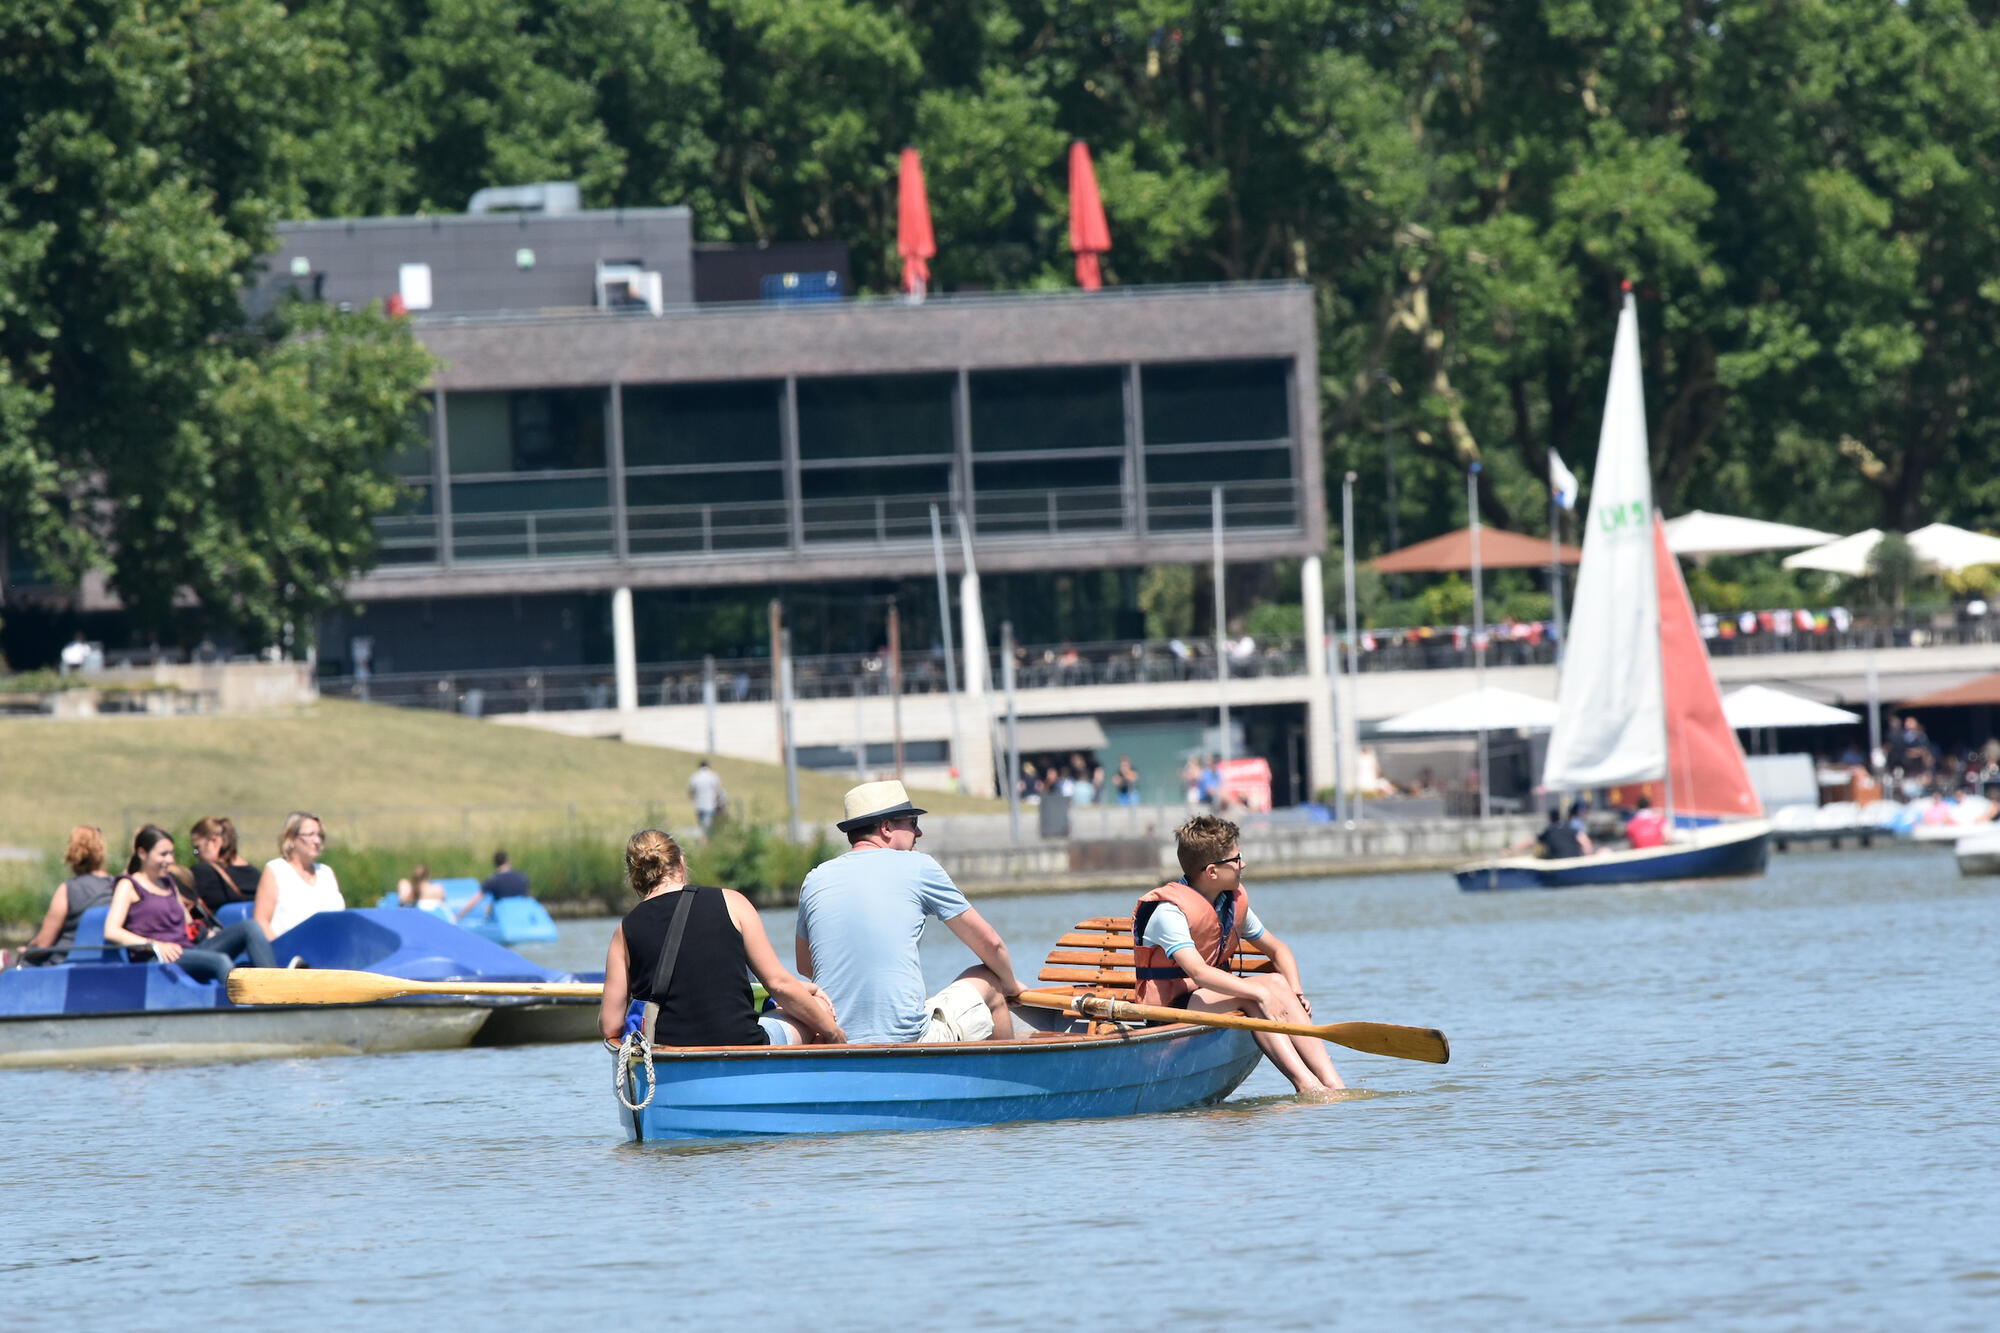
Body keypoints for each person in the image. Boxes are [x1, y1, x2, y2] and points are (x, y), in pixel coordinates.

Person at [795, 780, 1025, 1044]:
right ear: (887, 827)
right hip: (906, 1039)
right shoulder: (919, 866)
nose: (919, 833)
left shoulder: (814, 878)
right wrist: (1012, 986)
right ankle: (1007, 1081)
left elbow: (805, 965)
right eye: (913, 822)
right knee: (992, 980)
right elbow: (991, 944)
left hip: (835, 1037)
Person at [1132, 815, 1343, 1095]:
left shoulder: (1228, 901)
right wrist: (1258, 994)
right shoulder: (1170, 912)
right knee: (1254, 993)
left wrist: (1296, 992)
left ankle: (1333, 1084)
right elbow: (1198, 973)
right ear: (1212, 872)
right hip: (1170, 1013)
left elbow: (1278, 950)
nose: (1242, 864)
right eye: (1236, 859)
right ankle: (1307, 1085)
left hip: (1209, 1000)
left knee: (1276, 983)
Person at [598, 829, 842, 1048]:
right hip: (742, 1043)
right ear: (681, 863)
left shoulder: (624, 930)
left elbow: (610, 1026)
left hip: (667, 1052)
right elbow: (778, 983)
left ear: (635, 878)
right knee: (817, 1011)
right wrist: (833, 1034)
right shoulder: (732, 902)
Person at [103, 825, 277, 982]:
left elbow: (188, 924)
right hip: (161, 957)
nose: (170, 860)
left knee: (250, 927)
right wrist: (153, 944)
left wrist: (207, 934)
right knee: (220, 961)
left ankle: (277, 991)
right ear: (142, 854)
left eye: (171, 854)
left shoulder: (168, 884)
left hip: (188, 950)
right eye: (163, 854)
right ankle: (245, 1006)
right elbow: (112, 931)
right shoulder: (128, 885)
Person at [25, 825, 116, 964]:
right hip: (105, 961)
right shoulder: (117, 886)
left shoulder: (68, 889)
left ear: (72, 853)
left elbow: (43, 944)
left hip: (63, 963)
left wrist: (27, 950)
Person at [255, 811, 345, 939]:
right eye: (310, 835)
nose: (317, 841)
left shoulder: (326, 873)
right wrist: (279, 952)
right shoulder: (276, 870)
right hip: (289, 954)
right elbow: (261, 922)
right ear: (291, 839)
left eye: (320, 835)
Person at [189, 816, 260, 917]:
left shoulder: (202, 872)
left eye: (196, 848)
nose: (196, 856)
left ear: (214, 842)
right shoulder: (256, 874)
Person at [456, 850, 530, 922]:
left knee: (488, 909)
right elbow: (527, 898)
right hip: (521, 915)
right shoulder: (522, 877)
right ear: (508, 861)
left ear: (495, 863)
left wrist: (458, 916)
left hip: (503, 916)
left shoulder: (493, 880)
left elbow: (475, 900)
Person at [688, 759, 727, 836]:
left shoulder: (695, 776)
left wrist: (695, 797)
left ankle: (704, 840)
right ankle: (707, 841)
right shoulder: (712, 775)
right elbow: (717, 789)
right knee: (708, 825)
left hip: (699, 805)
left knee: (702, 824)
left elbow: (691, 791)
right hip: (710, 804)